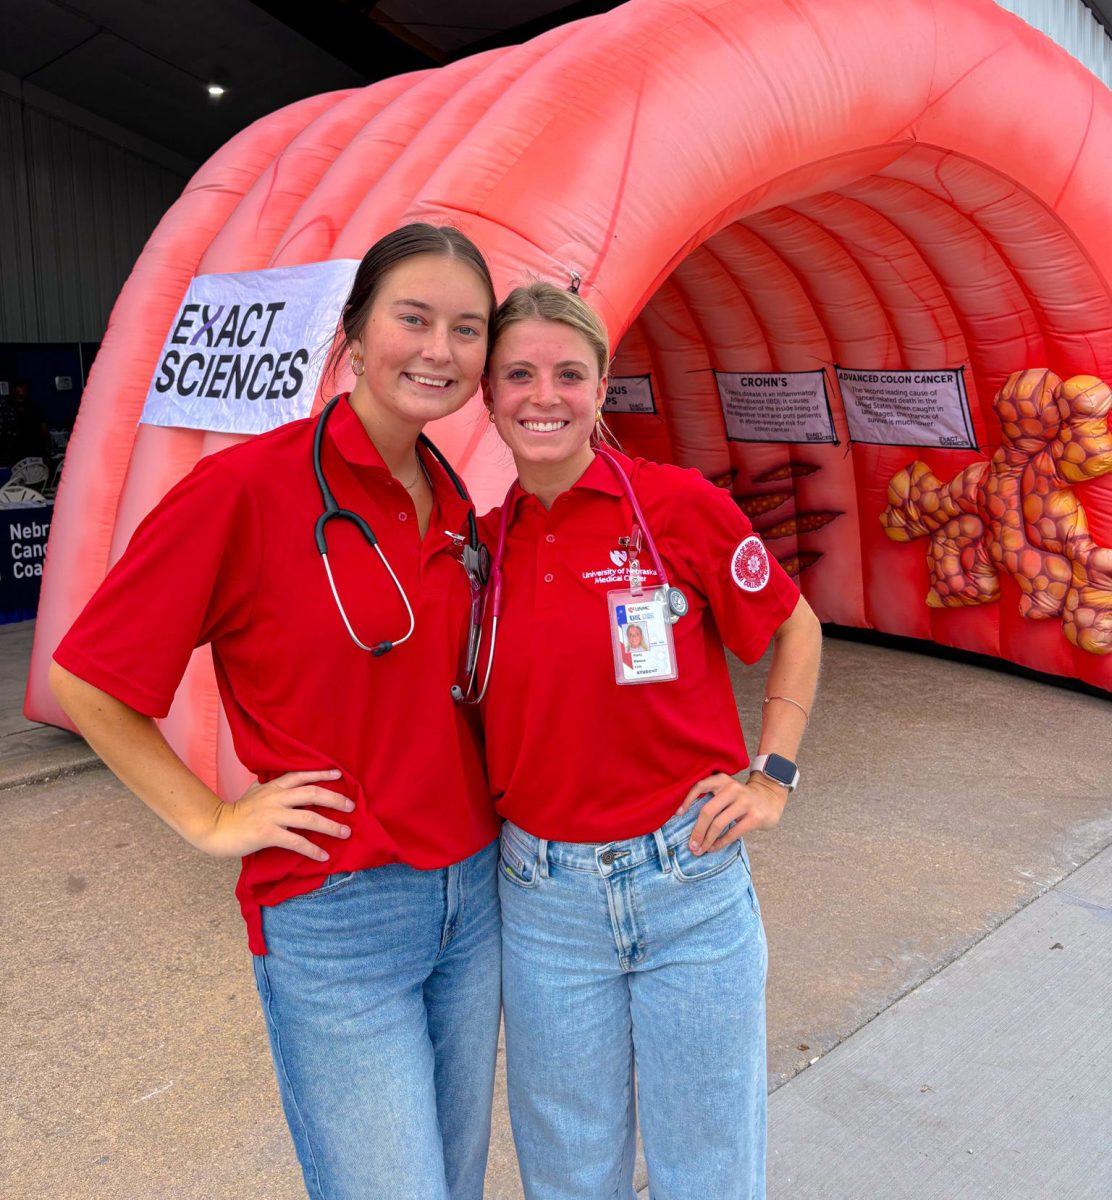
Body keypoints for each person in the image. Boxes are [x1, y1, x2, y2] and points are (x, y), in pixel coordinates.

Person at [50, 224, 503, 1200]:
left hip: (474, 901)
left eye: (466, 329)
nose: (438, 349)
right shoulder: (245, 491)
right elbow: (92, 678)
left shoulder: (458, 500)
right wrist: (212, 819)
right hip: (337, 909)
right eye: (412, 318)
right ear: (350, 332)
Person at [477, 281, 822, 1200]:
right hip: (544, 908)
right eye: (518, 374)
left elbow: (794, 625)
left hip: (689, 886)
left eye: (567, 373)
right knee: (567, 1173)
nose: (542, 395)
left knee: (707, 1170)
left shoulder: (678, 509)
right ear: (487, 398)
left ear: (600, 390)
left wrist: (773, 776)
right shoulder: (474, 552)